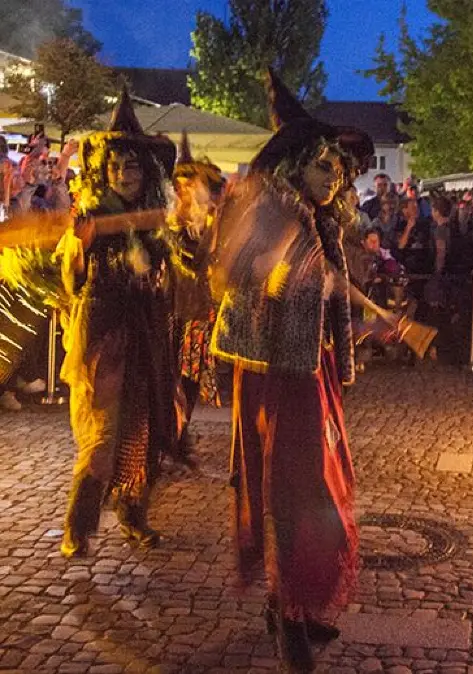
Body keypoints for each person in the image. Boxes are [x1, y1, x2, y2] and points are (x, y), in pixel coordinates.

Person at [210, 70, 371, 672]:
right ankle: (288, 617)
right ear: (295, 165)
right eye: (322, 166)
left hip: (313, 371)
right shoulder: (268, 213)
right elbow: (228, 274)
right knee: (287, 493)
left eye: (337, 169)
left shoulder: (320, 222)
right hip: (272, 375)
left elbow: (327, 294)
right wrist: (275, 272)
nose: (332, 177)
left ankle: (296, 607)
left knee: (321, 491)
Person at [56, 89, 180, 558]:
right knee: (104, 436)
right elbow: (72, 282)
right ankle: (79, 525)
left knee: (144, 429)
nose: (122, 174)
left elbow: (173, 267)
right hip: (103, 336)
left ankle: (133, 515)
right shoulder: (89, 216)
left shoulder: (154, 221)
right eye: (114, 166)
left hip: (146, 332)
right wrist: (83, 246)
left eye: (130, 166)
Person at [170, 132, 225, 465]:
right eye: (181, 185)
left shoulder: (207, 221)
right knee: (168, 375)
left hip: (196, 310)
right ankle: (168, 435)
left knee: (189, 378)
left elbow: (207, 263)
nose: (186, 190)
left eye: (191, 184)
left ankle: (179, 434)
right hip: (169, 309)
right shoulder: (171, 221)